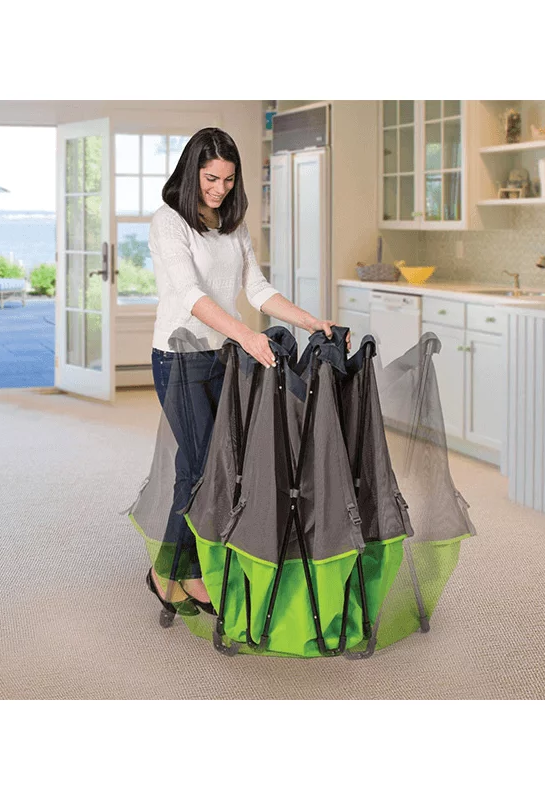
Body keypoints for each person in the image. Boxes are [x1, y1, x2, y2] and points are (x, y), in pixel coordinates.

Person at [145, 127, 350, 617]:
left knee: (218, 466)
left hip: (222, 358)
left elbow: (257, 289)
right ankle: (177, 573)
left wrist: (311, 321)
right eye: (211, 178)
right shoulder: (168, 222)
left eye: (229, 180)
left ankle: (178, 569)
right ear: (191, 172)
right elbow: (190, 295)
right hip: (178, 357)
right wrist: (246, 335)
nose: (220, 189)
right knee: (199, 468)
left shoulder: (232, 225)